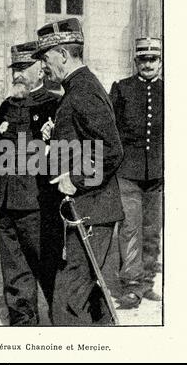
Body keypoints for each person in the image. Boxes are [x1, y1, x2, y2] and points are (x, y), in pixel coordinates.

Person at [32, 18, 124, 326]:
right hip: (88, 210)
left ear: (61, 54)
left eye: (45, 59)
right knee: (90, 297)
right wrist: (56, 135)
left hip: (92, 211)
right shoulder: (77, 87)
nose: (43, 67)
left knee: (69, 301)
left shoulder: (83, 90)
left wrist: (76, 178)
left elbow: (111, 151)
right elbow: (86, 142)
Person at [0, 41, 61, 325]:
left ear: (41, 68)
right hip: (7, 201)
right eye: (15, 68)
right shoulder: (7, 105)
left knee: (48, 269)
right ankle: (23, 324)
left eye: (24, 67)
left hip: (38, 204)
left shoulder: (54, 103)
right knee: (15, 271)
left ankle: (62, 325)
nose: (18, 74)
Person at [109, 37, 163, 309]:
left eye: (153, 59)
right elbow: (110, 129)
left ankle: (147, 282)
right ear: (136, 62)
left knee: (152, 230)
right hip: (127, 173)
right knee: (130, 229)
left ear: (161, 62)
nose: (148, 64)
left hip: (157, 174)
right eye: (143, 59)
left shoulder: (169, 91)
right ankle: (130, 287)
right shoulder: (122, 89)